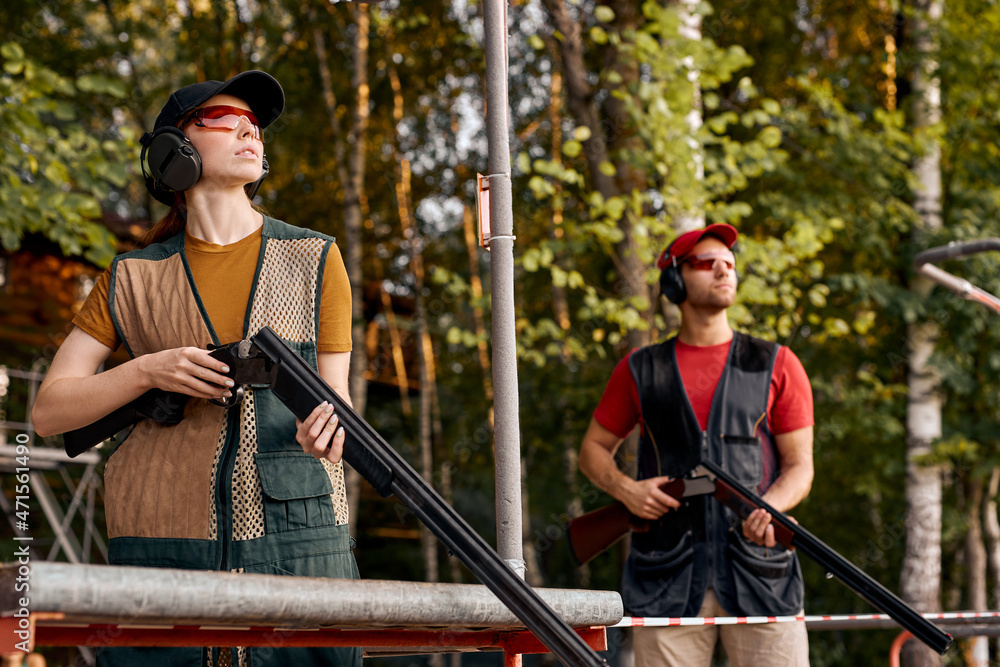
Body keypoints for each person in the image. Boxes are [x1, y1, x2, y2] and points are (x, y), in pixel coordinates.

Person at [31, 71, 361, 667]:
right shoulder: (130, 277)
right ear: (171, 152)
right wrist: (147, 372)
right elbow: (49, 411)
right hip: (160, 545)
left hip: (300, 546)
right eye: (220, 118)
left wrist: (328, 429)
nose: (247, 129)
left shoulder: (317, 257)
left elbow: (336, 403)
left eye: (255, 123)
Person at [578, 223, 814, 667]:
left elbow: (801, 466)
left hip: (761, 574)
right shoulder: (640, 369)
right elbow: (592, 449)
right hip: (666, 578)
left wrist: (771, 508)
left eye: (730, 264)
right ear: (675, 279)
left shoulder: (777, 363)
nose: (724, 271)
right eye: (708, 264)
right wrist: (627, 490)